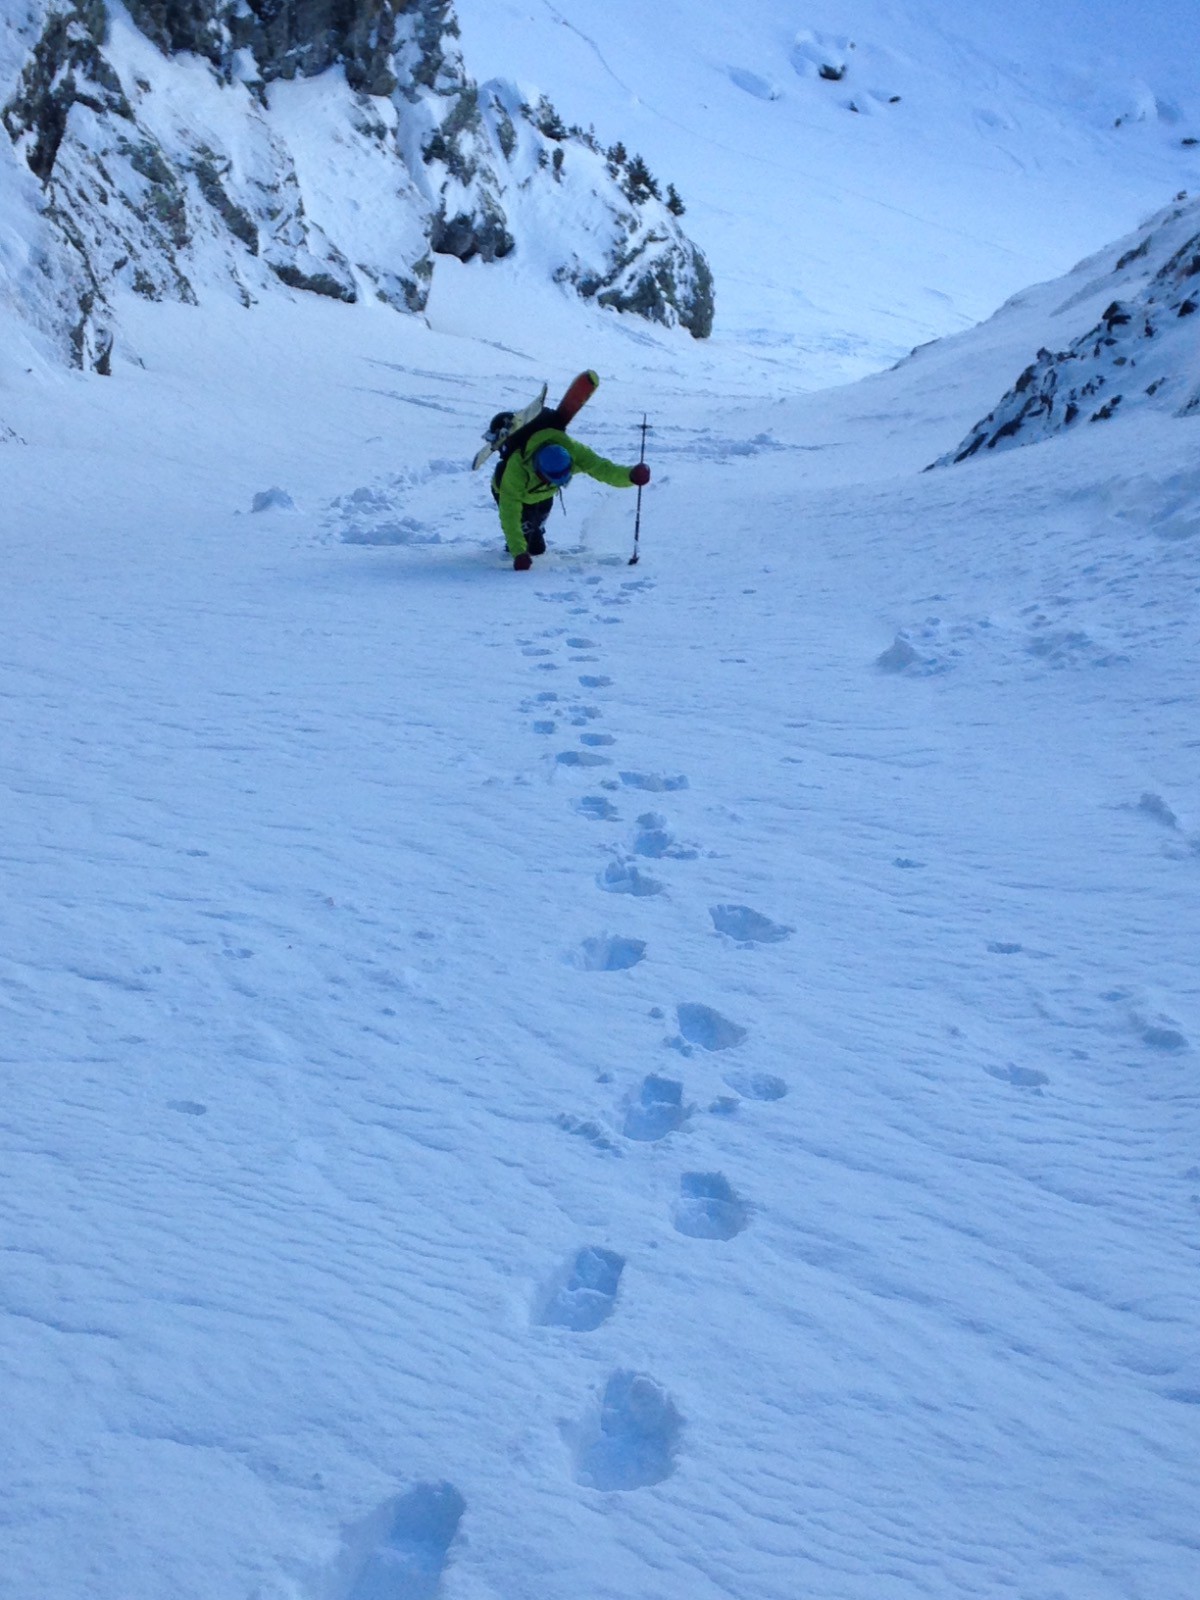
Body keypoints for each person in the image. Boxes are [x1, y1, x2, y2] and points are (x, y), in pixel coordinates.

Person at [489, 417, 650, 570]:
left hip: (543, 496)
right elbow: (509, 512)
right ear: (538, 469)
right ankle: (520, 538)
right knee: (532, 549)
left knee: (535, 540)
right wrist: (518, 553)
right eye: (549, 479)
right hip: (511, 494)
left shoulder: (575, 453)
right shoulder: (517, 469)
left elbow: (604, 469)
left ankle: (533, 528)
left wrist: (631, 476)